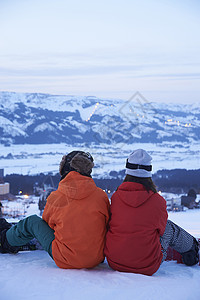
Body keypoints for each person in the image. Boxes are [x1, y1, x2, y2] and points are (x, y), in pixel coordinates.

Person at [0, 151, 110, 269]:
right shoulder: (101, 196)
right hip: (96, 259)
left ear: (64, 170)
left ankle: (5, 241)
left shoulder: (56, 197)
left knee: (32, 222)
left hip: (65, 259)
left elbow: (47, 225)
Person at [104, 149, 199, 276]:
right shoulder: (157, 201)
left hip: (115, 262)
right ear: (148, 172)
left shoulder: (115, 198)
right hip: (147, 265)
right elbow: (161, 230)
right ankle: (192, 248)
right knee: (168, 227)